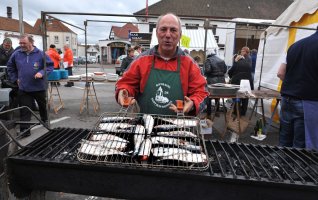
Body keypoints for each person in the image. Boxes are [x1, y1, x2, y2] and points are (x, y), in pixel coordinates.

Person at [116, 13, 208, 115]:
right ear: (156, 33)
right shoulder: (141, 60)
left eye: (173, 30)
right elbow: (126, 83)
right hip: (144, 126)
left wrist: (192, 103)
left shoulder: (189, 64)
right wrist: (123, 91)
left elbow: (202, 92)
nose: (168, 35)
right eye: (163, 29)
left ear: (180, 35)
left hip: (180, 128)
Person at [277, 27, 318, 149]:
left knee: (284, 140)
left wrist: (294, 84)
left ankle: (280, 166)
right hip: (308, 101)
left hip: (287, 99)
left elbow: (280, 73)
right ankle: (296, 168)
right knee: (301, 146)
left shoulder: (295, 45)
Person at [7, 34, 54, 137]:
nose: (22, 45)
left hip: (39, 87)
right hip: (24, 87)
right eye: (20, 43)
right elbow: (10, 67)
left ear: (31, 43)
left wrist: (41, 73)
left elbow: (50, 66)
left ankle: (45, 119)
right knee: (24, 109)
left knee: (42, 106)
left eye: (24, 43)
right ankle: (25, 131)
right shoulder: (16, 54)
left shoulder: (41, 54)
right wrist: (15, 79)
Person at [228, 46, 253, 116]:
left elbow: (232, 70)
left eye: (242, 50)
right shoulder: (250, 59)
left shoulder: (239, 59)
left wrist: (235, 61)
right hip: (247, 81)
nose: (241, 51)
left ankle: (237, 111)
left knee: (237, 96)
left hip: (238, 81)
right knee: (245, 97)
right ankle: (243, 112)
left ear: (246, 52)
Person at [204, 49, 227, 118]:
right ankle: (217, 112)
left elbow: (208, 70)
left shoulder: (208, 60)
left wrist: (205, 73)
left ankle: (209, 114)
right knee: (217, 96)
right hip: (221, 80)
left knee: (209, 97)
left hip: (212, 80)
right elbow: (225, 70)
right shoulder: (221, 59)